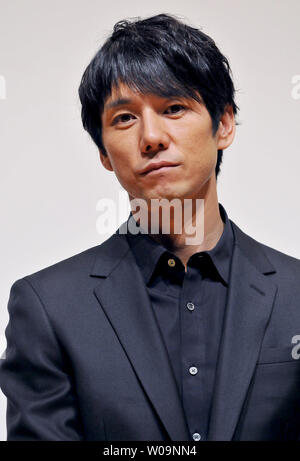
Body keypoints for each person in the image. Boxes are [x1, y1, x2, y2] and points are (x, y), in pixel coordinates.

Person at [1, 13, 300, 442]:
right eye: (124, 118)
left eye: (174, 108)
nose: (152, 136)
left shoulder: (295, 293)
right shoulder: (48, 308)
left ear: (225, 124)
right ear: (104, 153)